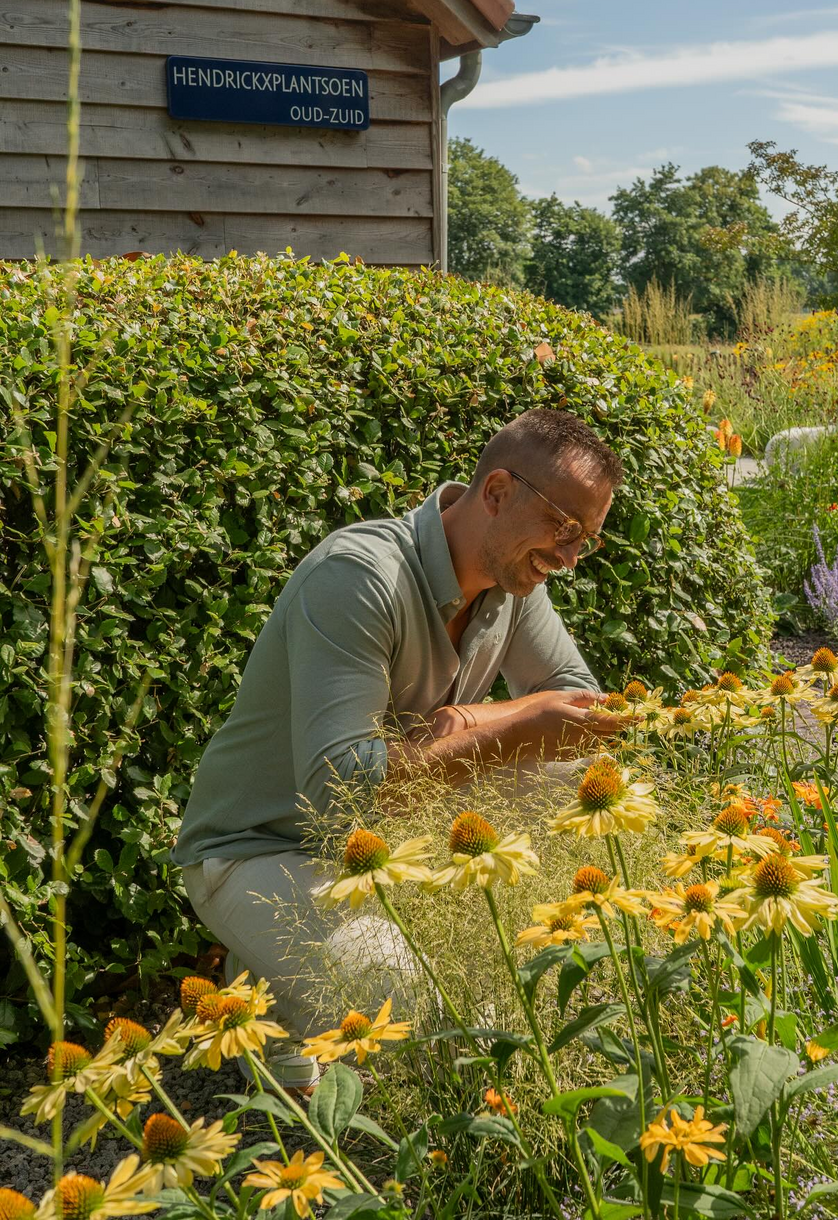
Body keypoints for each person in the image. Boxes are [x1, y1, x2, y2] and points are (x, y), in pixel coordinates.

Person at [172, 408, 626, 1086]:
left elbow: (579, 699)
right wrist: (507, 733)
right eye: (565, 528)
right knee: (439, 1019)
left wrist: (471, 716)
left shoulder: (513, 579)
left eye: (585, 538)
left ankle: (284, 967)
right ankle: (269, 959)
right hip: (262, 846)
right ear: (497, 491)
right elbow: (338, 793)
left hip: (380, 847)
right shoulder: (358, 577)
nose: (568, 557)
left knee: (573, 767)